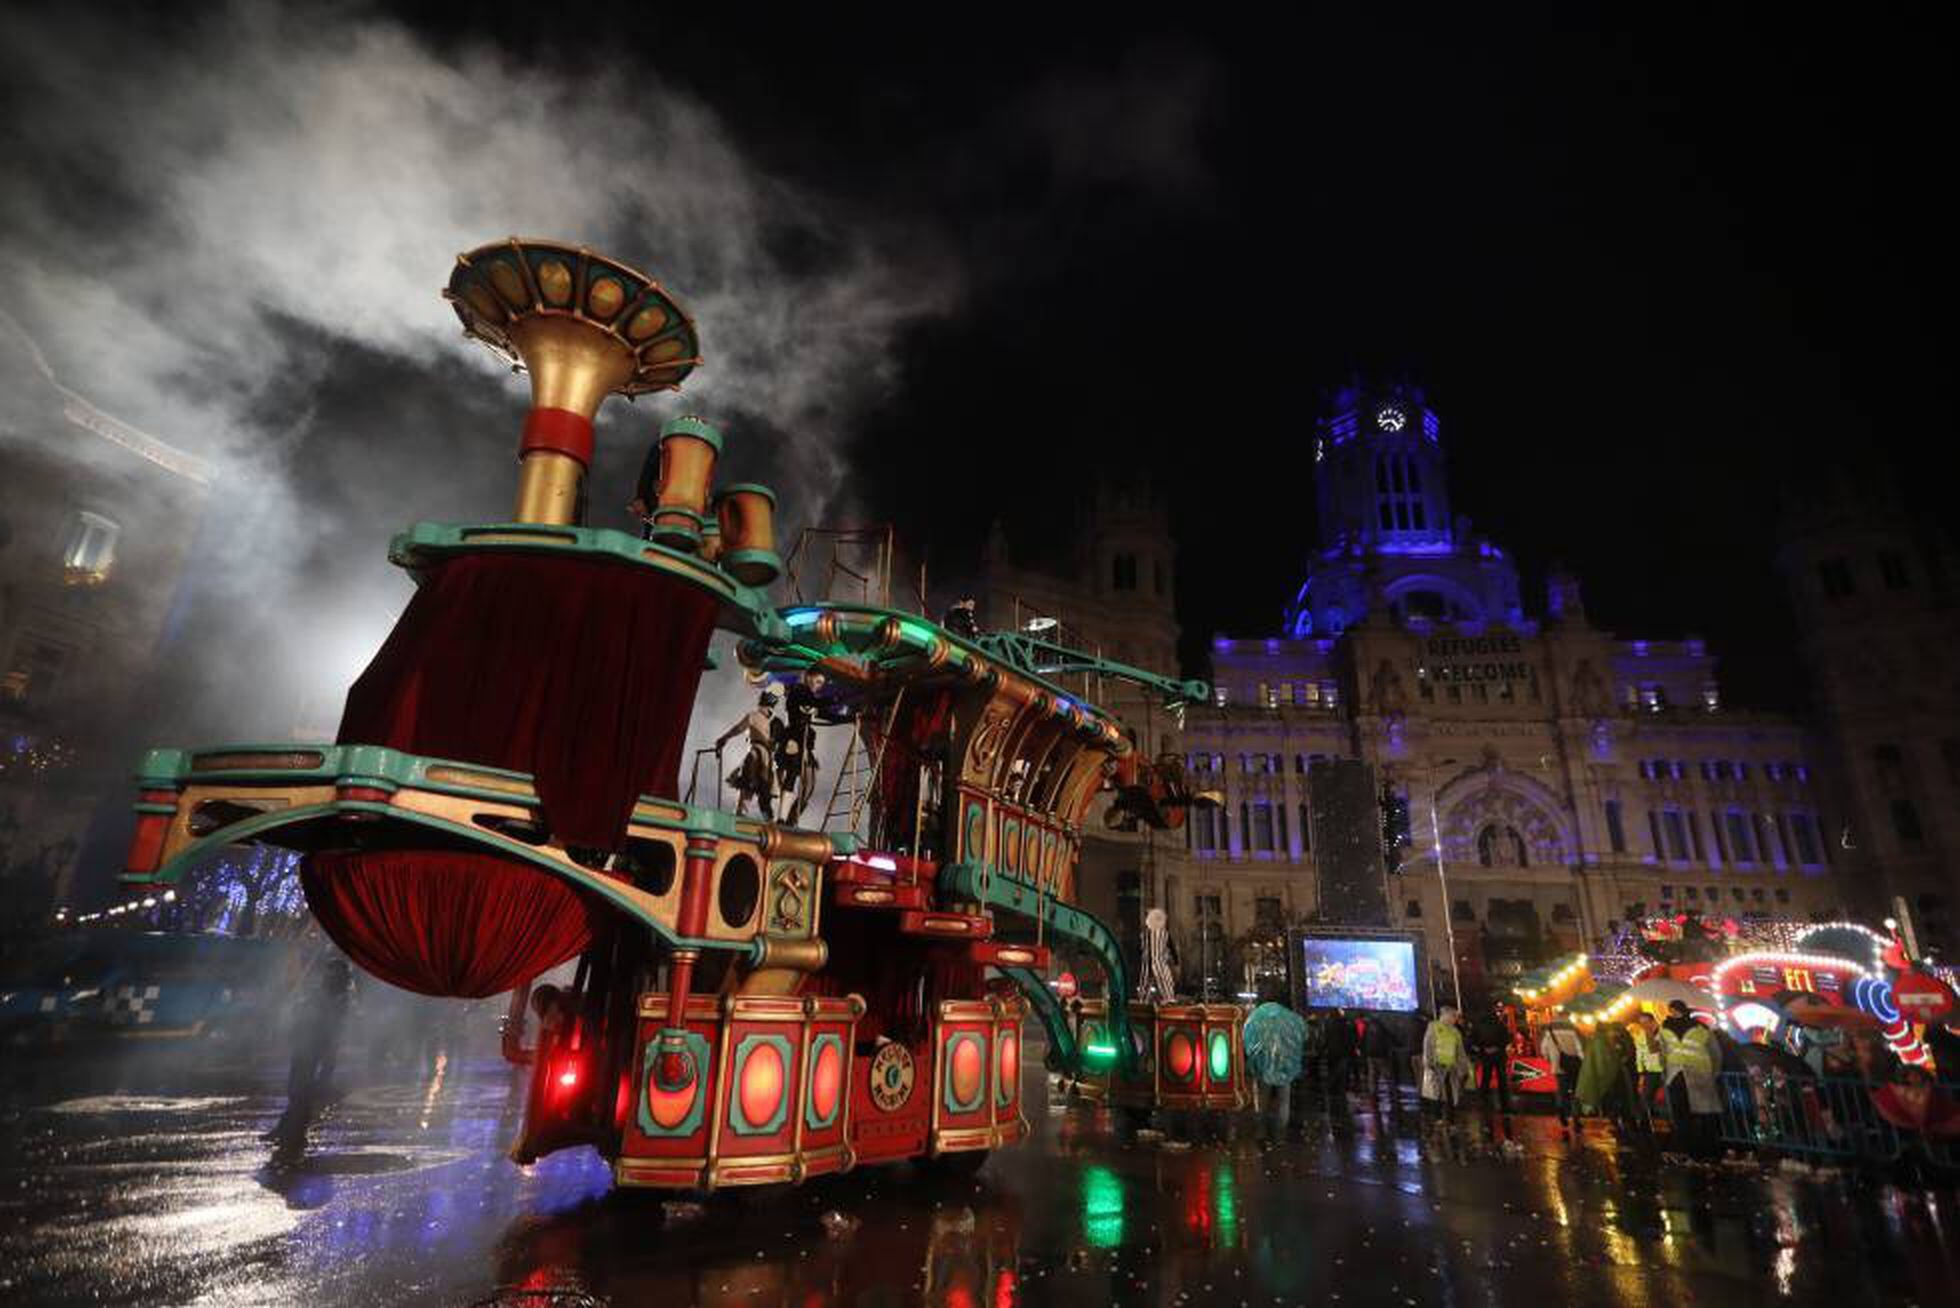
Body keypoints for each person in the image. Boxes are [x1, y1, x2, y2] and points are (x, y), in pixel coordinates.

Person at [266, 957, 354, 1148]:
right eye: (328, 971)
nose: (328, 975)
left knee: (301, 1091)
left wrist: (328, 1062)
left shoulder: (338, 996)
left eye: (332, 971)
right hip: (305, 1045)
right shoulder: (326, 992)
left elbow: (331, 1025)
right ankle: (286, 1129)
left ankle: (294, 1133)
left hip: (315, 1047)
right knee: (296, 1089)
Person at [1660, 999, 1724, 1155]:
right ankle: (1701, 1147)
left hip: (1687, 1074)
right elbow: (1715, 1053)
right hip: (1690, 1074)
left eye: (1674, 1010)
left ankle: (1699, 1147)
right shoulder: (1699, 1028)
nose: (1672, 1013)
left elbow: (1663, 1053)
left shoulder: (1667, 1029)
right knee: (1697, 1112)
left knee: (1693, 1113)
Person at [1244, 992, 1309, 1142]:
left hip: (1264, 1065)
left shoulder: (1258, 1017)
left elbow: (1247, 1036)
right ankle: (1280, 1132)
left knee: (1263, 1099)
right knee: (1284, 1100)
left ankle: (1261, 1131)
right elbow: (1304, 1034)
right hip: (1285, 1065)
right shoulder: (1290, 1018)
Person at [717, 690, 780, 817]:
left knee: (753, 787)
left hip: (763, 757)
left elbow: (739, 728)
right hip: (761, 756)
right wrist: (725, 738)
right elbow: (739, 728)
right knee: (752, 786)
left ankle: (760, 817)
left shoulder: (771, 721)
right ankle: (746, 814)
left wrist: (724, 738)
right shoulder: (762, 718)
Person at [1420, 1006, 1468, 1124]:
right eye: (1453, 1016)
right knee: (1437, 1092)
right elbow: (1428, 1045)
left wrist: (1462, 1065)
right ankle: (1437, 1116)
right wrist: (1428, 1061)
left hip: (1451, 1066)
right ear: (1446, 1015)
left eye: (1456, 1017)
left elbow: (1460, 1049)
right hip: (1437, 1065)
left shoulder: (1455, 1031)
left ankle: (1450, 1116)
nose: (1455, 1019)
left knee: (1451, 1091)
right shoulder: (1434, 1027)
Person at [1466, 1001, 1513, 1116]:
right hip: (1499, 1055)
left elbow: (1472, 1040)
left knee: (1485, 1079)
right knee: (1502, 1080)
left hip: (1486, 1055)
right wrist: (1497, 1047)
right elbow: (1506, 1038)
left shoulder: (1478, 1024)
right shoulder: (1498, 1023)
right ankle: (1505, 1106)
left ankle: (1485, 1104)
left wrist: (1483, 1049)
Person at [1539, 1018, 1585, 1133]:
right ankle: (1576, 1118)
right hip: (1574, 1066)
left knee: (1561, 1090)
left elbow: (1543, 1050)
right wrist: (1581, 1061)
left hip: (1558, 1067)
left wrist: (1551, 1060)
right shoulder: (1573, 1032)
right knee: (1575, 1091)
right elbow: (1580, 1050)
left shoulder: (1549, 1033)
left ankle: (1561, 1110)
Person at [1629, 1011, 1667, 1129]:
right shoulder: (1640, 1037)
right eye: (1642, 1023)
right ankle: (1645, 1123)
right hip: (1651, 1071)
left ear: (1653, 1021)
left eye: (1646, 1022)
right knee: (1646, 1097)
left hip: (1666, 1069)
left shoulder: (1663, 1034)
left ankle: (1670, 1120)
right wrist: (1641, 1073)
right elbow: (1639, 1055)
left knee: (1668, 1097)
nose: (1644, 1025)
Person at [1363, 1008, 1401, 1110]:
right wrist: (1399, 1044)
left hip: (1370, 1054)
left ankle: (1373, 1094)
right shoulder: (1381, 1026)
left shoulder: (1368, 1027)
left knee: (1372, 1075)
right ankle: (1393, 1092)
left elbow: (1363, 1040)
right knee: (1387, 1074)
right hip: (1380, 1054)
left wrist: (1363, 1051)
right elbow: (1390, 1037)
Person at [1321, 1008, 1358, 1104]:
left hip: (1332, 1052)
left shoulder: (1329, 1024)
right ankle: (1338, 1090)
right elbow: (1350, 1039)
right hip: (1343, 1052)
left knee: (1333, 1070)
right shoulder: (1346, 1024)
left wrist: (1323, 1049)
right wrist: (1353, 1050)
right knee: (1342, 1072)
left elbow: (1326, 1038)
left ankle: (1332, 1090)